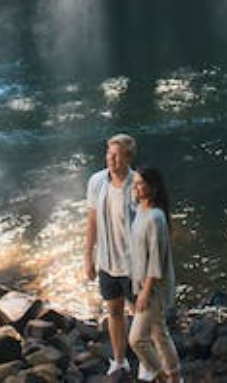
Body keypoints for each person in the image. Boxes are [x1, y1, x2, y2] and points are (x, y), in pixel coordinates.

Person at [85, 133, 137, 380]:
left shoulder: (138, 185)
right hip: (107, 262)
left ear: (128, 157)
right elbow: (92, 222)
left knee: (141, 317)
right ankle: (119, 360)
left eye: (116, 156)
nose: (111, 160)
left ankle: (149, 361)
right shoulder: (97, 181)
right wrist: (88, 258)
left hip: (133, 266)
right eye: (109, 154)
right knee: (114, 312)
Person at [129, 167, 181, 383]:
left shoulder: (156, 217)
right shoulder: (140, 209)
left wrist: (145, 292)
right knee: (159, 332)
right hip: (141, 282)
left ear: (154, 187)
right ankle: (175, 377)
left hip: (153, 286)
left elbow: (156, 260)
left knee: (136, 340)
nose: (137, 188)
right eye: (135, 183)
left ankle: (159, 377)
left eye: (141, 184)